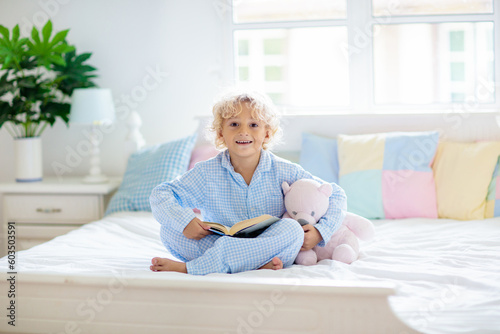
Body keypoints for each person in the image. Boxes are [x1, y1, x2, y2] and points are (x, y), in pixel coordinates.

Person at [149, 89, 347, 275]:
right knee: (168, 230)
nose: (243, 132)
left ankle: (192, 268)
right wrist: (185, 221)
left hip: (270, 243)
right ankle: (255, 264)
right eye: (234, 124)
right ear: (220, 134)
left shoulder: (285, 170)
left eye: (253, 125)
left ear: (267, 133)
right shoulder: (206, 173)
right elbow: (161, 194)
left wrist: (321, 232)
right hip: (223, 242)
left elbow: (336, 194)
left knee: (292, 230)